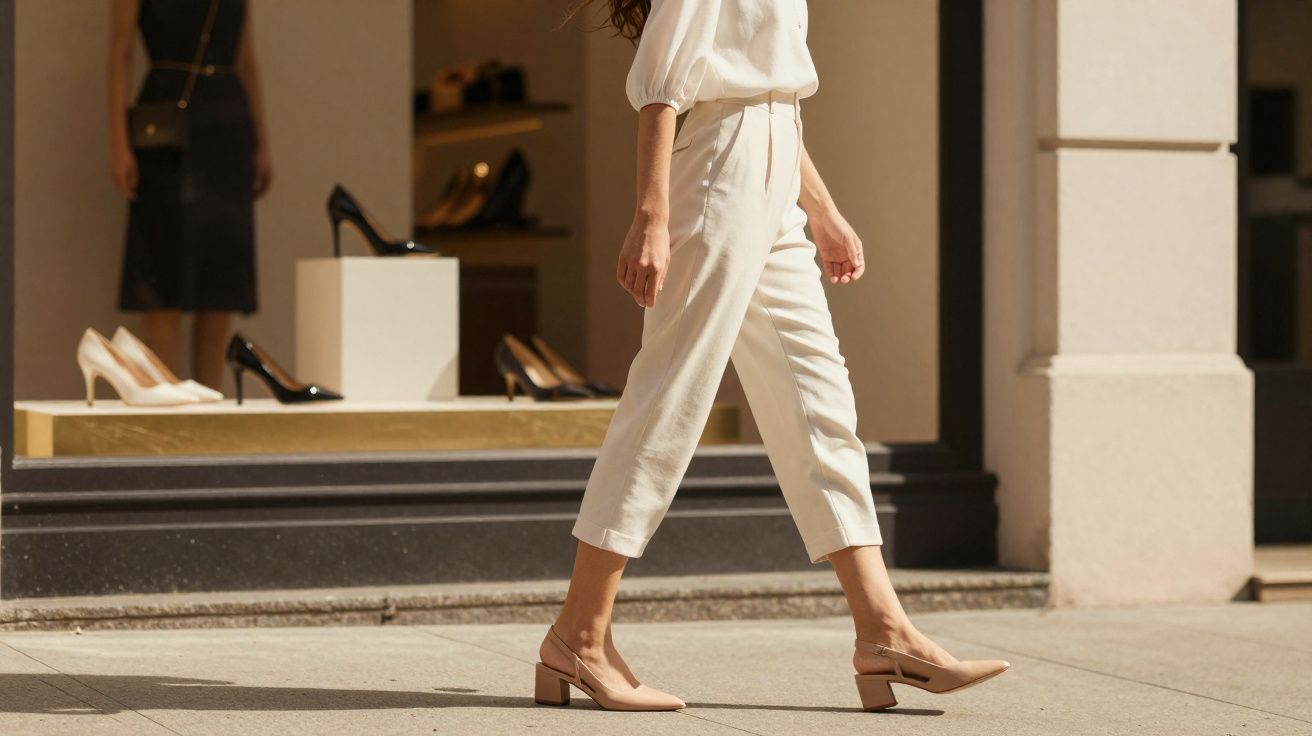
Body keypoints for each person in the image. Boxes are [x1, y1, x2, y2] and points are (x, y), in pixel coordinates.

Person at [535, 0, 1010, 712]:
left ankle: (884, 631)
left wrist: (818, 207)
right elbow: (664, 84)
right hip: (716, 176)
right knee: (670, 401)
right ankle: (581, 635)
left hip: (774, 169)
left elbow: (772, 91)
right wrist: (651, 216)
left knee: (819, 401)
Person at [108, 0, 271, 390]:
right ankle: (161, 407)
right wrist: (118, 144)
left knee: (219, 277)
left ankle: (208, 405)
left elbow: (246, 58)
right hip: (166, 121)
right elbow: (119, 53)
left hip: (227, 120)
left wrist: (262, 142)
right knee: (163, 272)